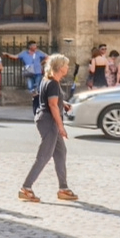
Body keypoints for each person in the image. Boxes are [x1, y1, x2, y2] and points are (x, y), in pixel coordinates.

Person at [19, 54, 78, 203]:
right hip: (49, 121)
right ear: (59, 67)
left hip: (45, 119)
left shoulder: (50, 81)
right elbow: (51, 105)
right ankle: (26, 188)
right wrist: (61, 126)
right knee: (44, 156)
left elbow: (49, 99)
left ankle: (63, 188)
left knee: (60, 152)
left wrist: (62, 103)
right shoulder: (52, 83)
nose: (68, 67)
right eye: (66, 65)